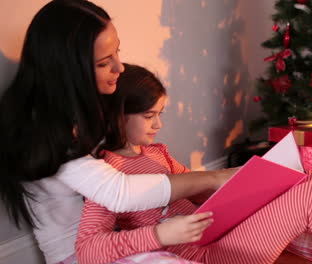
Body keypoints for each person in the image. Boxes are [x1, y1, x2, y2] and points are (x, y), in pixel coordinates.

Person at [75, 64, 312, 264]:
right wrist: (161, 235)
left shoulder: (156, 153)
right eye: (150, 116)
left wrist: (248, 185)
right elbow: (87, 250)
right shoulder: (108, 174)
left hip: (219, 231)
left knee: (310, 183)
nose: (159, 124)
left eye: (161, 114)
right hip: (203, 255)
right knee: (308, 198)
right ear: (119, 116)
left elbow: (198, 184)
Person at [0, 1, 232, 264]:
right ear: (69, 70)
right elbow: (119, 193)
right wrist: (214, 177)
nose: (119, 67)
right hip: (80, 254)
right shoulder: (44, 129)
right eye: (103, 62)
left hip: (122, 236)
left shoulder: (86, 106)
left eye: (116, 52)